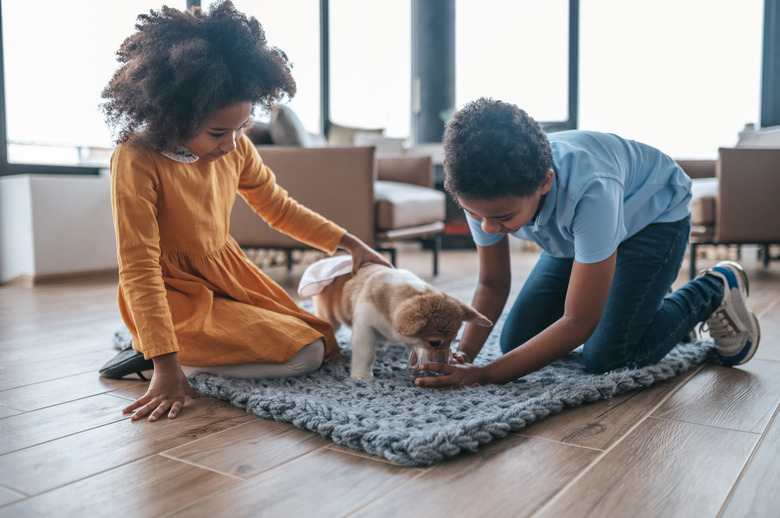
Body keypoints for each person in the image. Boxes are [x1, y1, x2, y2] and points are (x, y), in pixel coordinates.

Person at [99, 1, 390, 421]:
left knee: (317, 337)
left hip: (226, 278)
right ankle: (161, 361)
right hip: (173, 295)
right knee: (305, 355)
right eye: (218, 132)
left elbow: (279, 208)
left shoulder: (237, 149)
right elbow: (139, 267)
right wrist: (166, 364)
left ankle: (168, 353)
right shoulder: (136, 158)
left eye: (242, 127)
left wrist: (349, 243)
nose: (233, 144)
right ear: (174, 117)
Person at [415, 97, 760, 388]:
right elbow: (492, 284)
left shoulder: (590, 190)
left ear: (544, 183)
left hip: (653, 219)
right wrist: (464, 355)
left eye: (504, 217)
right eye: (474, 214)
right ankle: (644, 300)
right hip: (577, 236)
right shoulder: (482, 194)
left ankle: (714, 289)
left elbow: (579, 322)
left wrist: (485, 375)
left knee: (609, 356)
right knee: (515, 342)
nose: (489, 227)